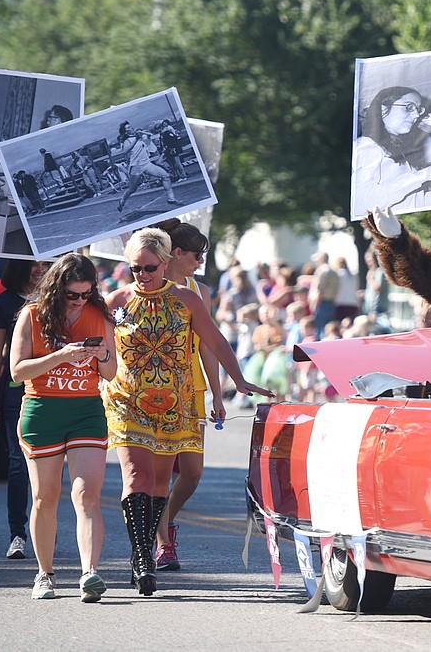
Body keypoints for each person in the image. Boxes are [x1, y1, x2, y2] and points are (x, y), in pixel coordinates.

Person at [104, 228, 272, 595]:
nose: (143, 276)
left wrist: (238, 382)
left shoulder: (186, 299)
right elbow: (96, 340)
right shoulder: (116, 302)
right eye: (136, 269)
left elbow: (214, 340)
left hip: (175, 402)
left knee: (160, 483)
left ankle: (148, 549)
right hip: (128, 401)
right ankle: (142, 558)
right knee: (136, 478)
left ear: (164, 262)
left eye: (150, 268)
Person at [9, 253, 116, 602]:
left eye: (86, 294)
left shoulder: (99, 316)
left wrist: (101, 356)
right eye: (73, 294)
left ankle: (90, 573)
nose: (80, 301)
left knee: (87, 494)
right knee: (46, 496)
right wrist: (61, 356)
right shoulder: (32, 314)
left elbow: (111, 373)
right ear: (57, 289)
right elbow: (18, 372)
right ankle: (45, 573)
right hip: (42, 411)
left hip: (86, 410)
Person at [150, 219, 224, 572]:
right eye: (196, 255)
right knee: (160, 473)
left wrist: (218, 395)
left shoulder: (200, 291)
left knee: (192, 473)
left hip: (192, 391)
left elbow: (209, 346)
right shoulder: (149, 286)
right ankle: (164, 543)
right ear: (176, 253)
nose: (199, 262)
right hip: (156, 391)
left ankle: (161, 520)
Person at [0, 259, 49, 561]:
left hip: (53, 391)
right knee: (17, 463)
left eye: (47, 264)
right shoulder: (5, 302)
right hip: (14, 394)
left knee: (48, 467)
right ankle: (17, 535)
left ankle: (44, 531)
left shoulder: (59, 298)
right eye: (34, 264)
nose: (40, 269)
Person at [352, 86, 431, 211]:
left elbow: (414, 204)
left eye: (418, 109)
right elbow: (361, 202)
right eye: (408, 107)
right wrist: (425, 175)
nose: (416, 115)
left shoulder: (403, 153)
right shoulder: (366, 146)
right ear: (383, 109)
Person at [112, 121, 181, 214]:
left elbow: (150, 134)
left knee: (165, 176)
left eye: (131, 126)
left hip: (146, 164)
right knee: (132, 189)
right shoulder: (127, 141)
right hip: (136, 167)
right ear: (125, 132)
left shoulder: (140, 137)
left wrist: (142, 133)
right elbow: (125, 151)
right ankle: (122, 201)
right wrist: (136, 139)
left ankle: (171, 198)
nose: (131, 128)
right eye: (128, 128)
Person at [307, 252, 339, 339]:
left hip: (321, 303)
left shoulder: (322, 271)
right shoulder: (333, 271)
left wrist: (314, 305)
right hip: (331, 303)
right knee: (328, 328)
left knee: (320, 329)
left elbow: (319, 290)